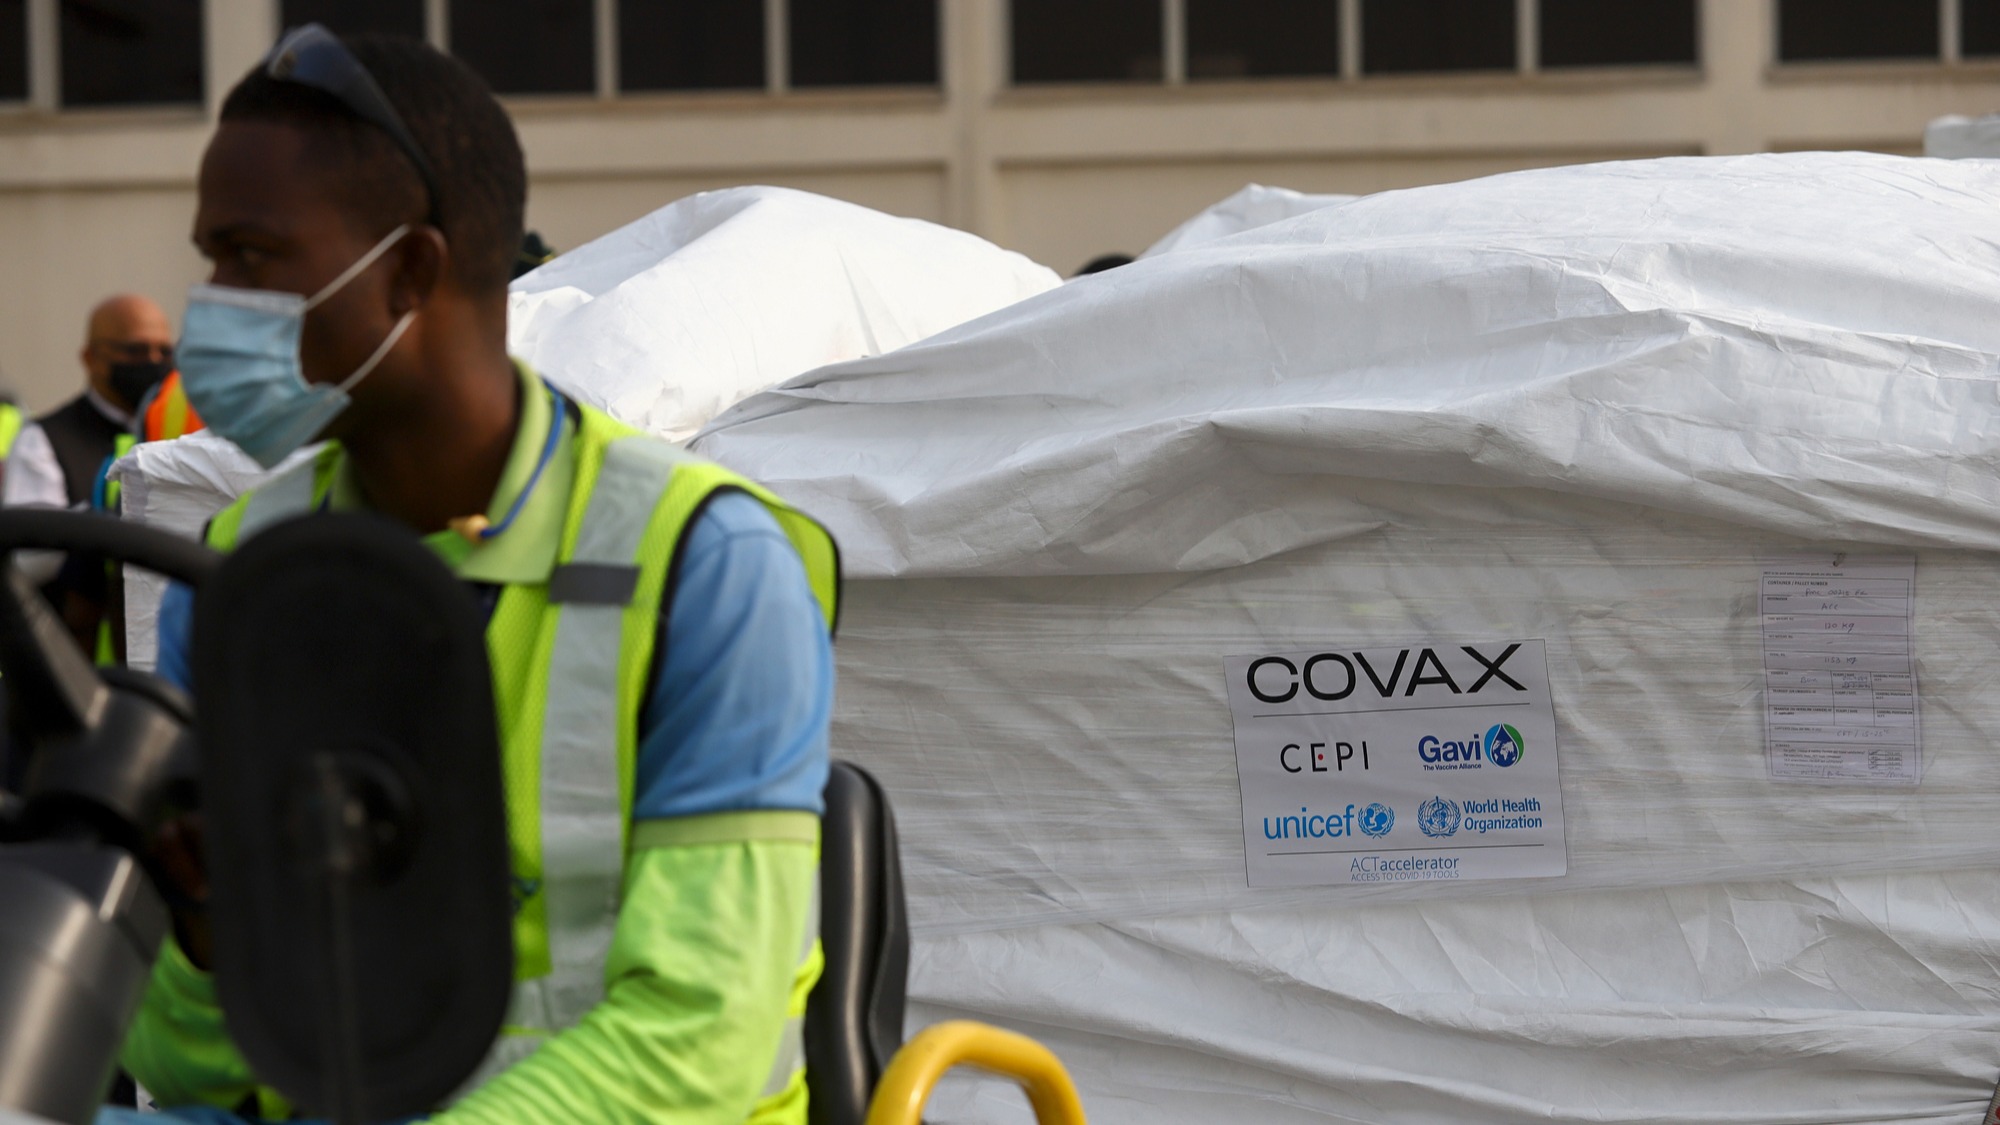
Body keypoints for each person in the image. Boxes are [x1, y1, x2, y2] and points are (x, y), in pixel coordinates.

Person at [113, 25, 836, 1125]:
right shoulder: (243, 573)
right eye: (211, 254)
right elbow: (184, 1072)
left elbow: (708, 1035)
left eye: (251, 255)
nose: (212, 304)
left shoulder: (709, 566)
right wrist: (211, 946)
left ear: (409, 269)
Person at [6, 294, 178, 511]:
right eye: (136, 350)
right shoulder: (44, 442)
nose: (154, 361)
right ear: (91, 358)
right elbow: (34, 537)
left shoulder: (182, 432)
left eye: (165, 352)